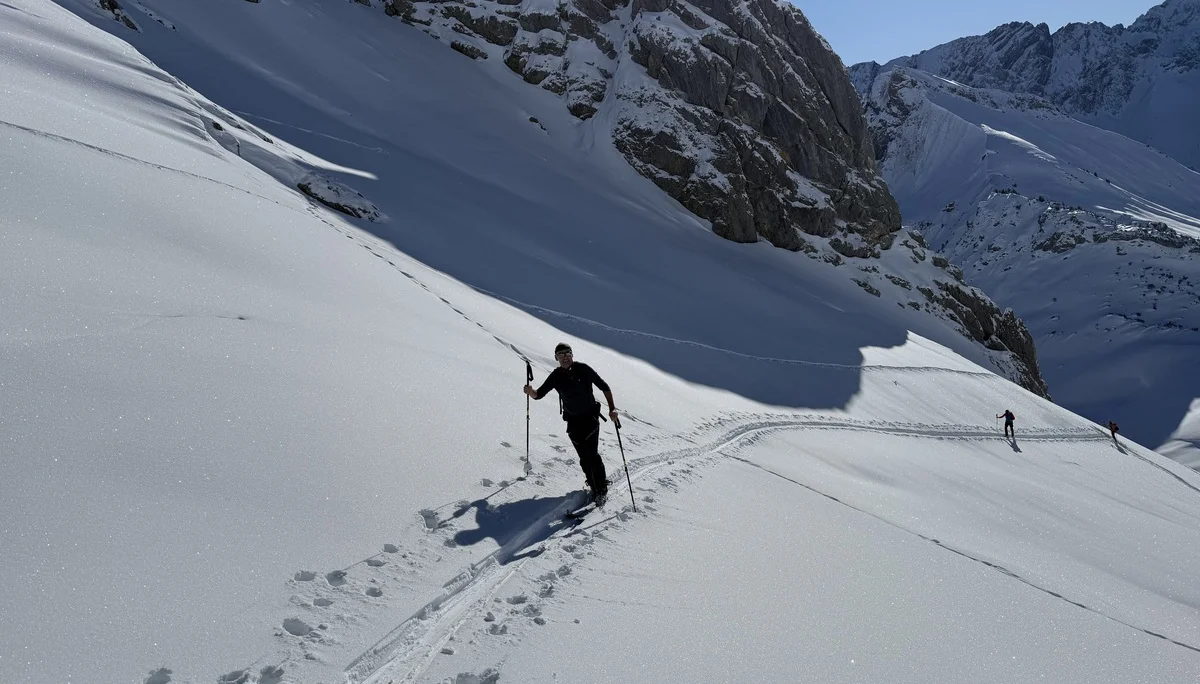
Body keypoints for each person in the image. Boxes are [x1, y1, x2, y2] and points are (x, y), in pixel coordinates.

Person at [525, 343, 619, 504]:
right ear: (556, 358)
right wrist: (530, 392)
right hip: (572, 422)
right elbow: (539, 394)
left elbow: (605, 387)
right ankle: (593, 486)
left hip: (591, 419)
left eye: (567, 353)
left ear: (572, 355)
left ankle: (601, 489)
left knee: (592, 455)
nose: (564, 357)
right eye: (560, 355)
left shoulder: (584, 369)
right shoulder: (556, 376)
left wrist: (612, 409)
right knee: (584, 458)